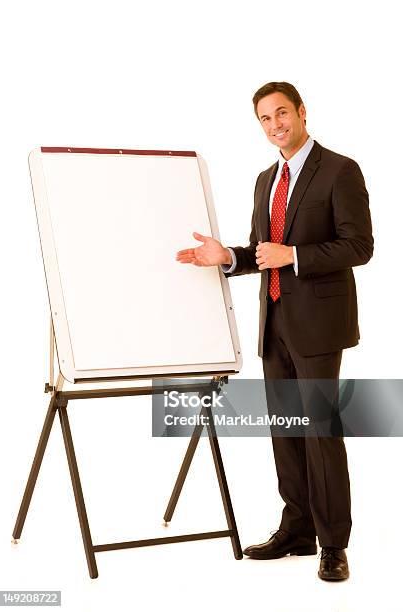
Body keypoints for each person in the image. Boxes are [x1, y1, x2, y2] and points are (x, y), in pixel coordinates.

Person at [176, 81, 373, 581]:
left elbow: (359, 246)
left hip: (320, 324)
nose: (274, 125)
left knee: (319, 432)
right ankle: (298, 527)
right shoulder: (266, 179)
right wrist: (230, 259)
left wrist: (297, 257)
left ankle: (333, 544)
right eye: (264, 119)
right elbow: (261, 249)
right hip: (275, 320)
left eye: (281, 113)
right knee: (286, 431)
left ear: (302, 112)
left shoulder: (340, 170)